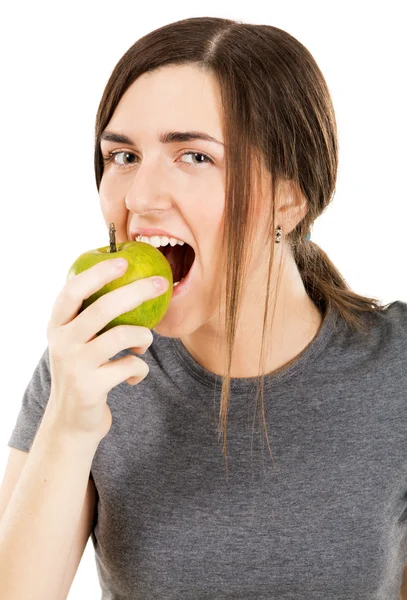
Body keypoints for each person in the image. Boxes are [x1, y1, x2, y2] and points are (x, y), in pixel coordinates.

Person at [0, 15, 406, 600]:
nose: (138, 196)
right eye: (122, 157)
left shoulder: (397, 370)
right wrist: (69, 420)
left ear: (290, 195)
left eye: (193, 156)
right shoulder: (86, 367)